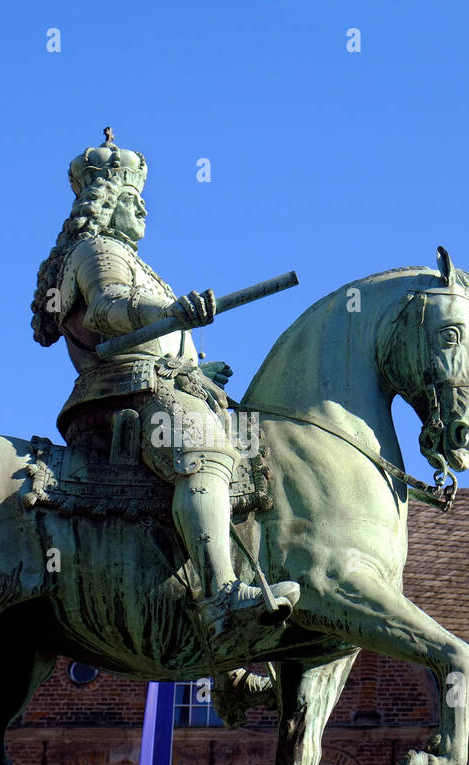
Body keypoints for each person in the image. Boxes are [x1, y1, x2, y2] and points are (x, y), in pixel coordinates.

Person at [30, 130, 300, 674]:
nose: (144, 210)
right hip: (122, 393)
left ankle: (233, 657)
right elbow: (109, 310)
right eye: (133, 200)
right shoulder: (96, 251)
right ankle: (221, 594)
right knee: (206, 454)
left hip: (162, 385)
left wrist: (201, 367)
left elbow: (167, 343)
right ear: (107, 206)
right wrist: (172, 311)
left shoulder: (135, 260)